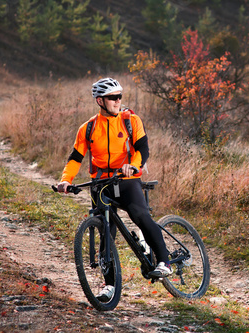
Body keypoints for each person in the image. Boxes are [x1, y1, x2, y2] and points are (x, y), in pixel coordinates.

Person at [57, 77, 171, 301]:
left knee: (140, 216)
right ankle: (109, 286)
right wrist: (65, 180)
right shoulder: (88, 128)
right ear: (100, 101)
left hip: (127, 179)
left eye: (120, 96)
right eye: (113, 97)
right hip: (101, 184)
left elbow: (143, 149)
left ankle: (164, 261)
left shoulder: (131, 120)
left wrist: (133, 166)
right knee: (105, 234)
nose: (118, 101)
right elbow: (75, 158)